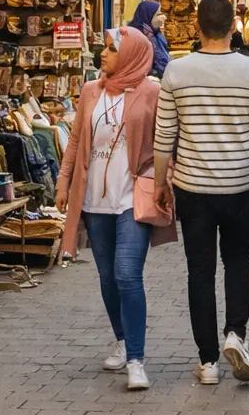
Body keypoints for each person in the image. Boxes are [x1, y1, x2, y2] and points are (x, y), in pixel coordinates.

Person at [153, 0, 249, 386]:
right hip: (239, 185)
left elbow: (164, 136)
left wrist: (160, 184)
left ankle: (207, 361)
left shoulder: (176, 71)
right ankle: (235, 335)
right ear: (233, 26)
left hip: (192, 187)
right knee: (239, 261)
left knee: (200, 271)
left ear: (197, 27)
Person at [57, 27, 175, 391]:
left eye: (111, 49)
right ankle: (122, 340)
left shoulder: (152, 92)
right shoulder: (92, 90)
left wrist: (162, 178)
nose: (103, 54)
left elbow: (168, 139)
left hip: (131, 197)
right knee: (107, 277)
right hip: (94, 200)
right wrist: (63, 182)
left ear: (131, 55)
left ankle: (137, 360)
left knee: (127, 274)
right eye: (104, 48)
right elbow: (77, 139)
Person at [129, 0, 171, 78]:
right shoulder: (136, 37)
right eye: (158, 14)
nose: (164, 17)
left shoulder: (156, 34)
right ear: (148, 16)